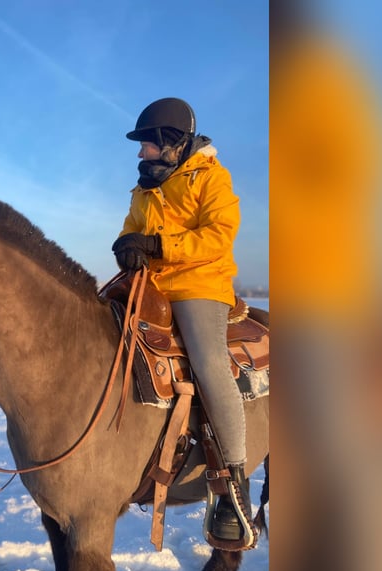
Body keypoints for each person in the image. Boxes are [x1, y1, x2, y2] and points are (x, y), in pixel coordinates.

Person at [111, 97, 253, 547]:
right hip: (151, 284)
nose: (140, 155)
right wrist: (126, 246)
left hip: (199, 284)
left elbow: (218, 233)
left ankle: (234, 480)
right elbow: (129, 228)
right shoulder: (144, 190)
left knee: (210, 365)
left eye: (146, 146)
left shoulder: (211, 178)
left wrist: (156, 245)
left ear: (170, 143)